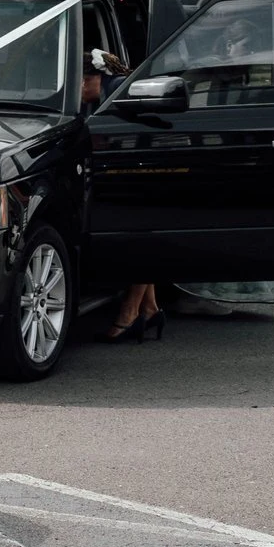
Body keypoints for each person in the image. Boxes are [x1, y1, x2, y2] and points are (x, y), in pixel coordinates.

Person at [81, 50, 163, 343]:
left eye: (81, 82)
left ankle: (130, 312)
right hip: (124, 173)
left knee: (139, 237)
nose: (77, 90)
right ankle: (150, 309)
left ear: (97, 78)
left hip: (143, 172)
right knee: (139, 237)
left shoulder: (121, 93)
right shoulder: (100, 96)